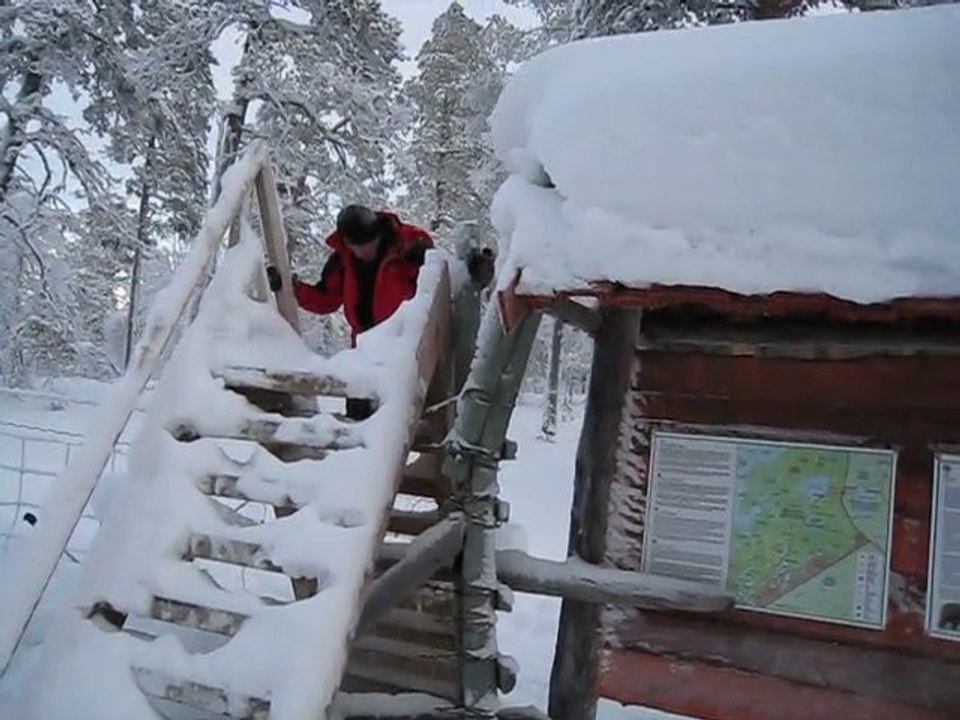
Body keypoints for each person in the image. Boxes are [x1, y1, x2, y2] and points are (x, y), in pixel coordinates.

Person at [266, 204, 494, 419]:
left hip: (405, 352)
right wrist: (291, 288)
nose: (359, 253)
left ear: (375, 236)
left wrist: (469, 272)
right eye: (353, 247)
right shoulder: (344, 259)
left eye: (363, 246)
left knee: (400, 425)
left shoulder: (409, 248)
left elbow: (444, 281)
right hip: (363, 353)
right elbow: (325, 298)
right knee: (358, 423)